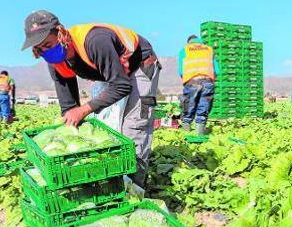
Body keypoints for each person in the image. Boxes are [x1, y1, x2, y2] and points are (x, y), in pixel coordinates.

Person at [20, 10, 161, 187]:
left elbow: (122, 85)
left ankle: (134, 187)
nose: (46, 52)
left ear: (61, 32)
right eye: (39, 49)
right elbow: (69, 107)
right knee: (108, 130)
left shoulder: (95, 41)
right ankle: (108, 179)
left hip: (139, 64)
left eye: (47, 44)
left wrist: (85, 109)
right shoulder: (55, 61)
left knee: (134, 125)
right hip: (112, 74)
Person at [178, 35, 219, 135]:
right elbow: (217, 70)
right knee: (203, 108)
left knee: (188, 107)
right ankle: (199, 133)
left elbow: (180, 70)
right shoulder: (209, 50)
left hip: (192, 82)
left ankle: (185, 134)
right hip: (208, 82)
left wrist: (186, 81)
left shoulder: (185, 50)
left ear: (189, 42)